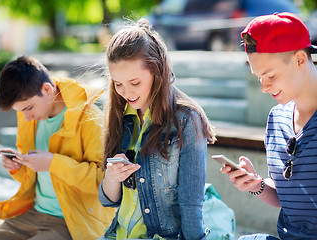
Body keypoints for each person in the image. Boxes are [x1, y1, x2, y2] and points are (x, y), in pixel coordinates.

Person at [98, 18, 216, 240]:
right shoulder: (121, 115)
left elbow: (191, 202)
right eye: (118, 84)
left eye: (135, 83)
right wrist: (112, 177)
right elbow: (108, 200)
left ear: (157, 72)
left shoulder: (186, 119)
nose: (126, 93)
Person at [0, 56, 115, 240]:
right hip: (31, 214)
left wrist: (53, 163)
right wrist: (19, 166)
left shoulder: (90, 120)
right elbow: (33, 176)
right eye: (20, 111)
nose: (26, 118)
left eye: (28, 108)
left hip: (72, 221)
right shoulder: (30, 116)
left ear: (47, 89)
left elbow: (104, 182)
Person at [221, 12, 317, 239]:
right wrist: (256, 184)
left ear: (300, 60)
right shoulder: (277, 119)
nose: (264, 87)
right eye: (258, 78)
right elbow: (290, 200)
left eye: (270, 75)